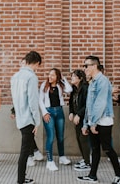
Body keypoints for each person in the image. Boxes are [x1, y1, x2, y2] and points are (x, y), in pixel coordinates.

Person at [77, 56, 120, 184]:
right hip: (94, 121)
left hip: (103, 121)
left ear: (94, 66)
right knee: (95, 149)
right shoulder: (92, 81)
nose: (84, 68)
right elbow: (89, 105)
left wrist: (92, 123)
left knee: (107, 148)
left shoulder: (103, 81)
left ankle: (119, 176)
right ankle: (92, 176)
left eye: (86, 65)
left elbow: (100, 104)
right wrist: (86, 124)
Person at [11, 51, 42, 184]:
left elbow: (15, 99)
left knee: (25, 150)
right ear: (36, 63)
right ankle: (21, 180)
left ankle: (22, 178)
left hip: (20, 117)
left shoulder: (15, 76)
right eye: (38, 66)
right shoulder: (31, 77)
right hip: (29, 118)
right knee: (24, 152)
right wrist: (37, 121)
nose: (37, 69)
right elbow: (33, 101)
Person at [39, 68, 73, 171]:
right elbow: (40, 100)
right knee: (50, 136)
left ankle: (62, 157)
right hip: (48, 112)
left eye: (53, 75)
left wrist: (63, 79)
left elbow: (70, 90)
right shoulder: (44, 85)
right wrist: (44, 113)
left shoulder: (60, 85)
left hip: (59, 112)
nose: (50, 77)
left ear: (57, 77)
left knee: (61, 136)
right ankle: (50, 161)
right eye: (49, 75)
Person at [69, 69, 91, 172]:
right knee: (79, 138)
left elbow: (87, 105)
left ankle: (88, 162)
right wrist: (71, 112)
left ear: (80, 78)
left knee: (84, 139)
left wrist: (79, 114)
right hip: (77, 118)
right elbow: (71, 102)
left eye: (74, 76)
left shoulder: (85, 88)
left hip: (84, 118)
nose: (71, 78)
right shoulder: (74, 89)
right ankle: (85, 158)